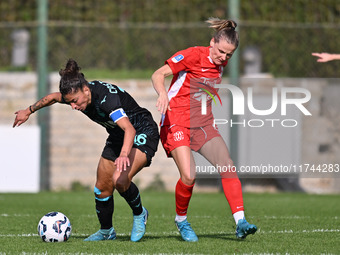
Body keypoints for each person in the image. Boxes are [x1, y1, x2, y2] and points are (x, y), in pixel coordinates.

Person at [13, 59, 159, 242]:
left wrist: (123, 155)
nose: (73, 106)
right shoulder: (77, 95)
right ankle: (106, 231)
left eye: (74, 101)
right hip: (117, 135)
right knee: (102, 188)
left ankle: (140, 214)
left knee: (120, 180)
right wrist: (28, 110)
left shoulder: (106, 100)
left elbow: (129, 129)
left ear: (86, 90)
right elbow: (52, 97)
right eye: (70, 103)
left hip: (141, 130)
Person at [151, 17, 257, 242]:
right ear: (212, 42)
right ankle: (181, 221)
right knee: (189, 175)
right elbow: (157, 75)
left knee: (227, 166)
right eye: (220, 52)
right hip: (176, 119)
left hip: (203, 124)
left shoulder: (222, 62)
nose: (224, 58)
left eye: (229, 55)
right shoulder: (192, 55)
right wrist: (162, 93)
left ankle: (240, 222)